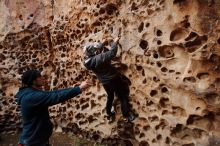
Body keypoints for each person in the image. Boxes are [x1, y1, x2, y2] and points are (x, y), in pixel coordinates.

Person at [15, 69, 91, 146]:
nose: (43, 77)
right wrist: (79, 88)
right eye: (39, 76)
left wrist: (74, 88)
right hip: (33, 142)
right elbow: (56, 96)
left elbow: (53, 93)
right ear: (33, 81)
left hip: (37, 140)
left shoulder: (30, 93)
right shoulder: (31, 97)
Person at [83, 37, 136, 123]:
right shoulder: (100, 58)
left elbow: (96, 52)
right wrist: (115, 43)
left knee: (110, 97)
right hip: (113, 79)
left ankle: (108, 112)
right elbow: (112, 53)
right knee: (122, 96)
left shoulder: (87, 61)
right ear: (94, 52)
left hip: (105, 82)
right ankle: (127, 116)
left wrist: (102, 44)